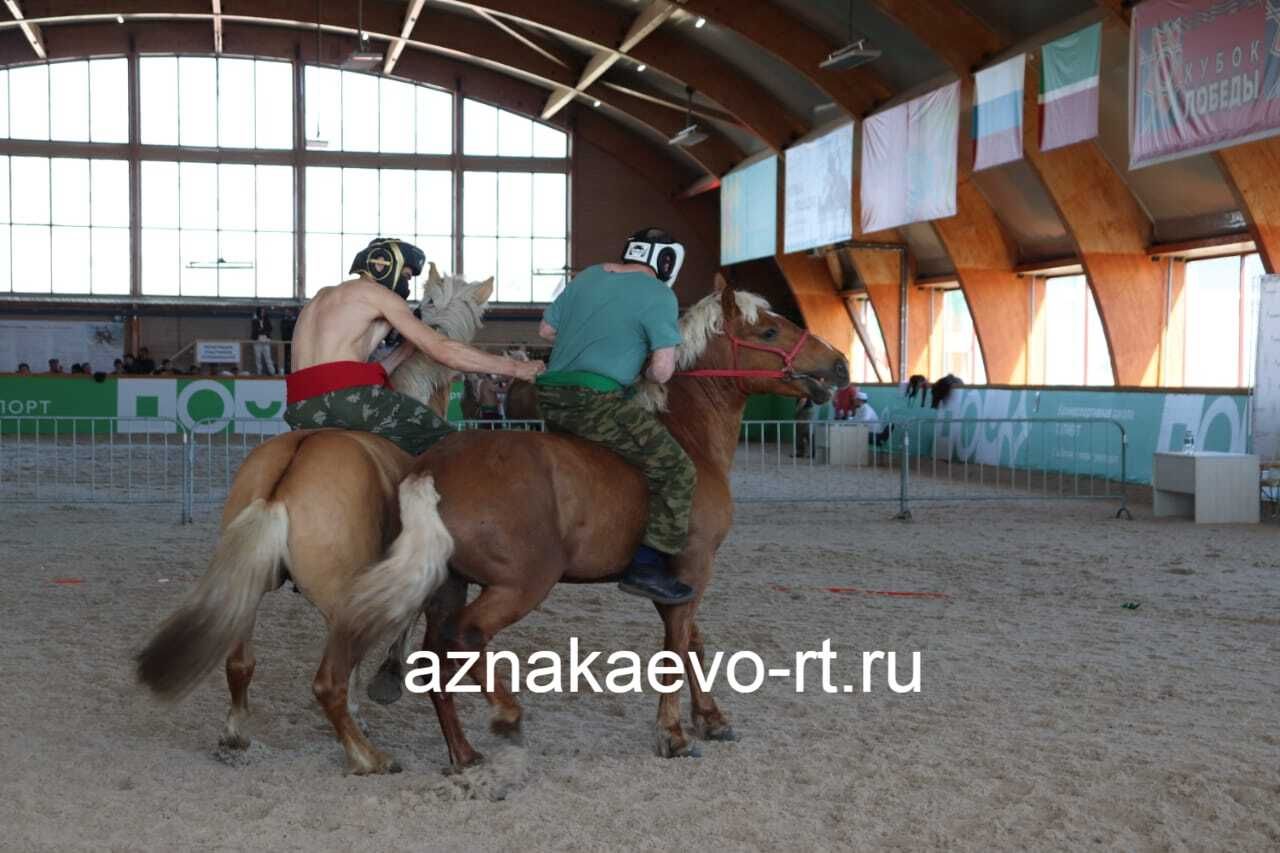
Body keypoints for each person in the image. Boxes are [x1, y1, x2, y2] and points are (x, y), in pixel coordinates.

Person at [535, 227, 696, 605]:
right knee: (676, 469)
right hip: (597, 401)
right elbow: (661, 372)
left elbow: (546, 331)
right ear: (667, 260)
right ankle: (648, 564)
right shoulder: (660, 294)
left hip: (550, 396)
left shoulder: (588, 275)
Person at [284, 237, 543, 455]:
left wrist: (405, 350)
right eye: (406, 276)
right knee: (448, 446)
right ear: (385, 267)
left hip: (301, 407)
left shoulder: (320, 299)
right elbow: (443, 350)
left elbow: (343, 369)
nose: (407, 286)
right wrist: (516, 368)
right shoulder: (378, 294)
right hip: (348, 403)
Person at [251, 308, 276, 375]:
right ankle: (259, 372)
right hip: (257, 341)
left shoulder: (267, 319)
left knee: (268, 357)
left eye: (263, 311)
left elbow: (270, 328)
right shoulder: (255, 319)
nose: (263, 313)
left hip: (265, 340)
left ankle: (272, 372)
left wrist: (262, 330)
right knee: (258, 358)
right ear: (258, 312)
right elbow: (255, 329)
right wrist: (262, 330)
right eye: (261, 312)